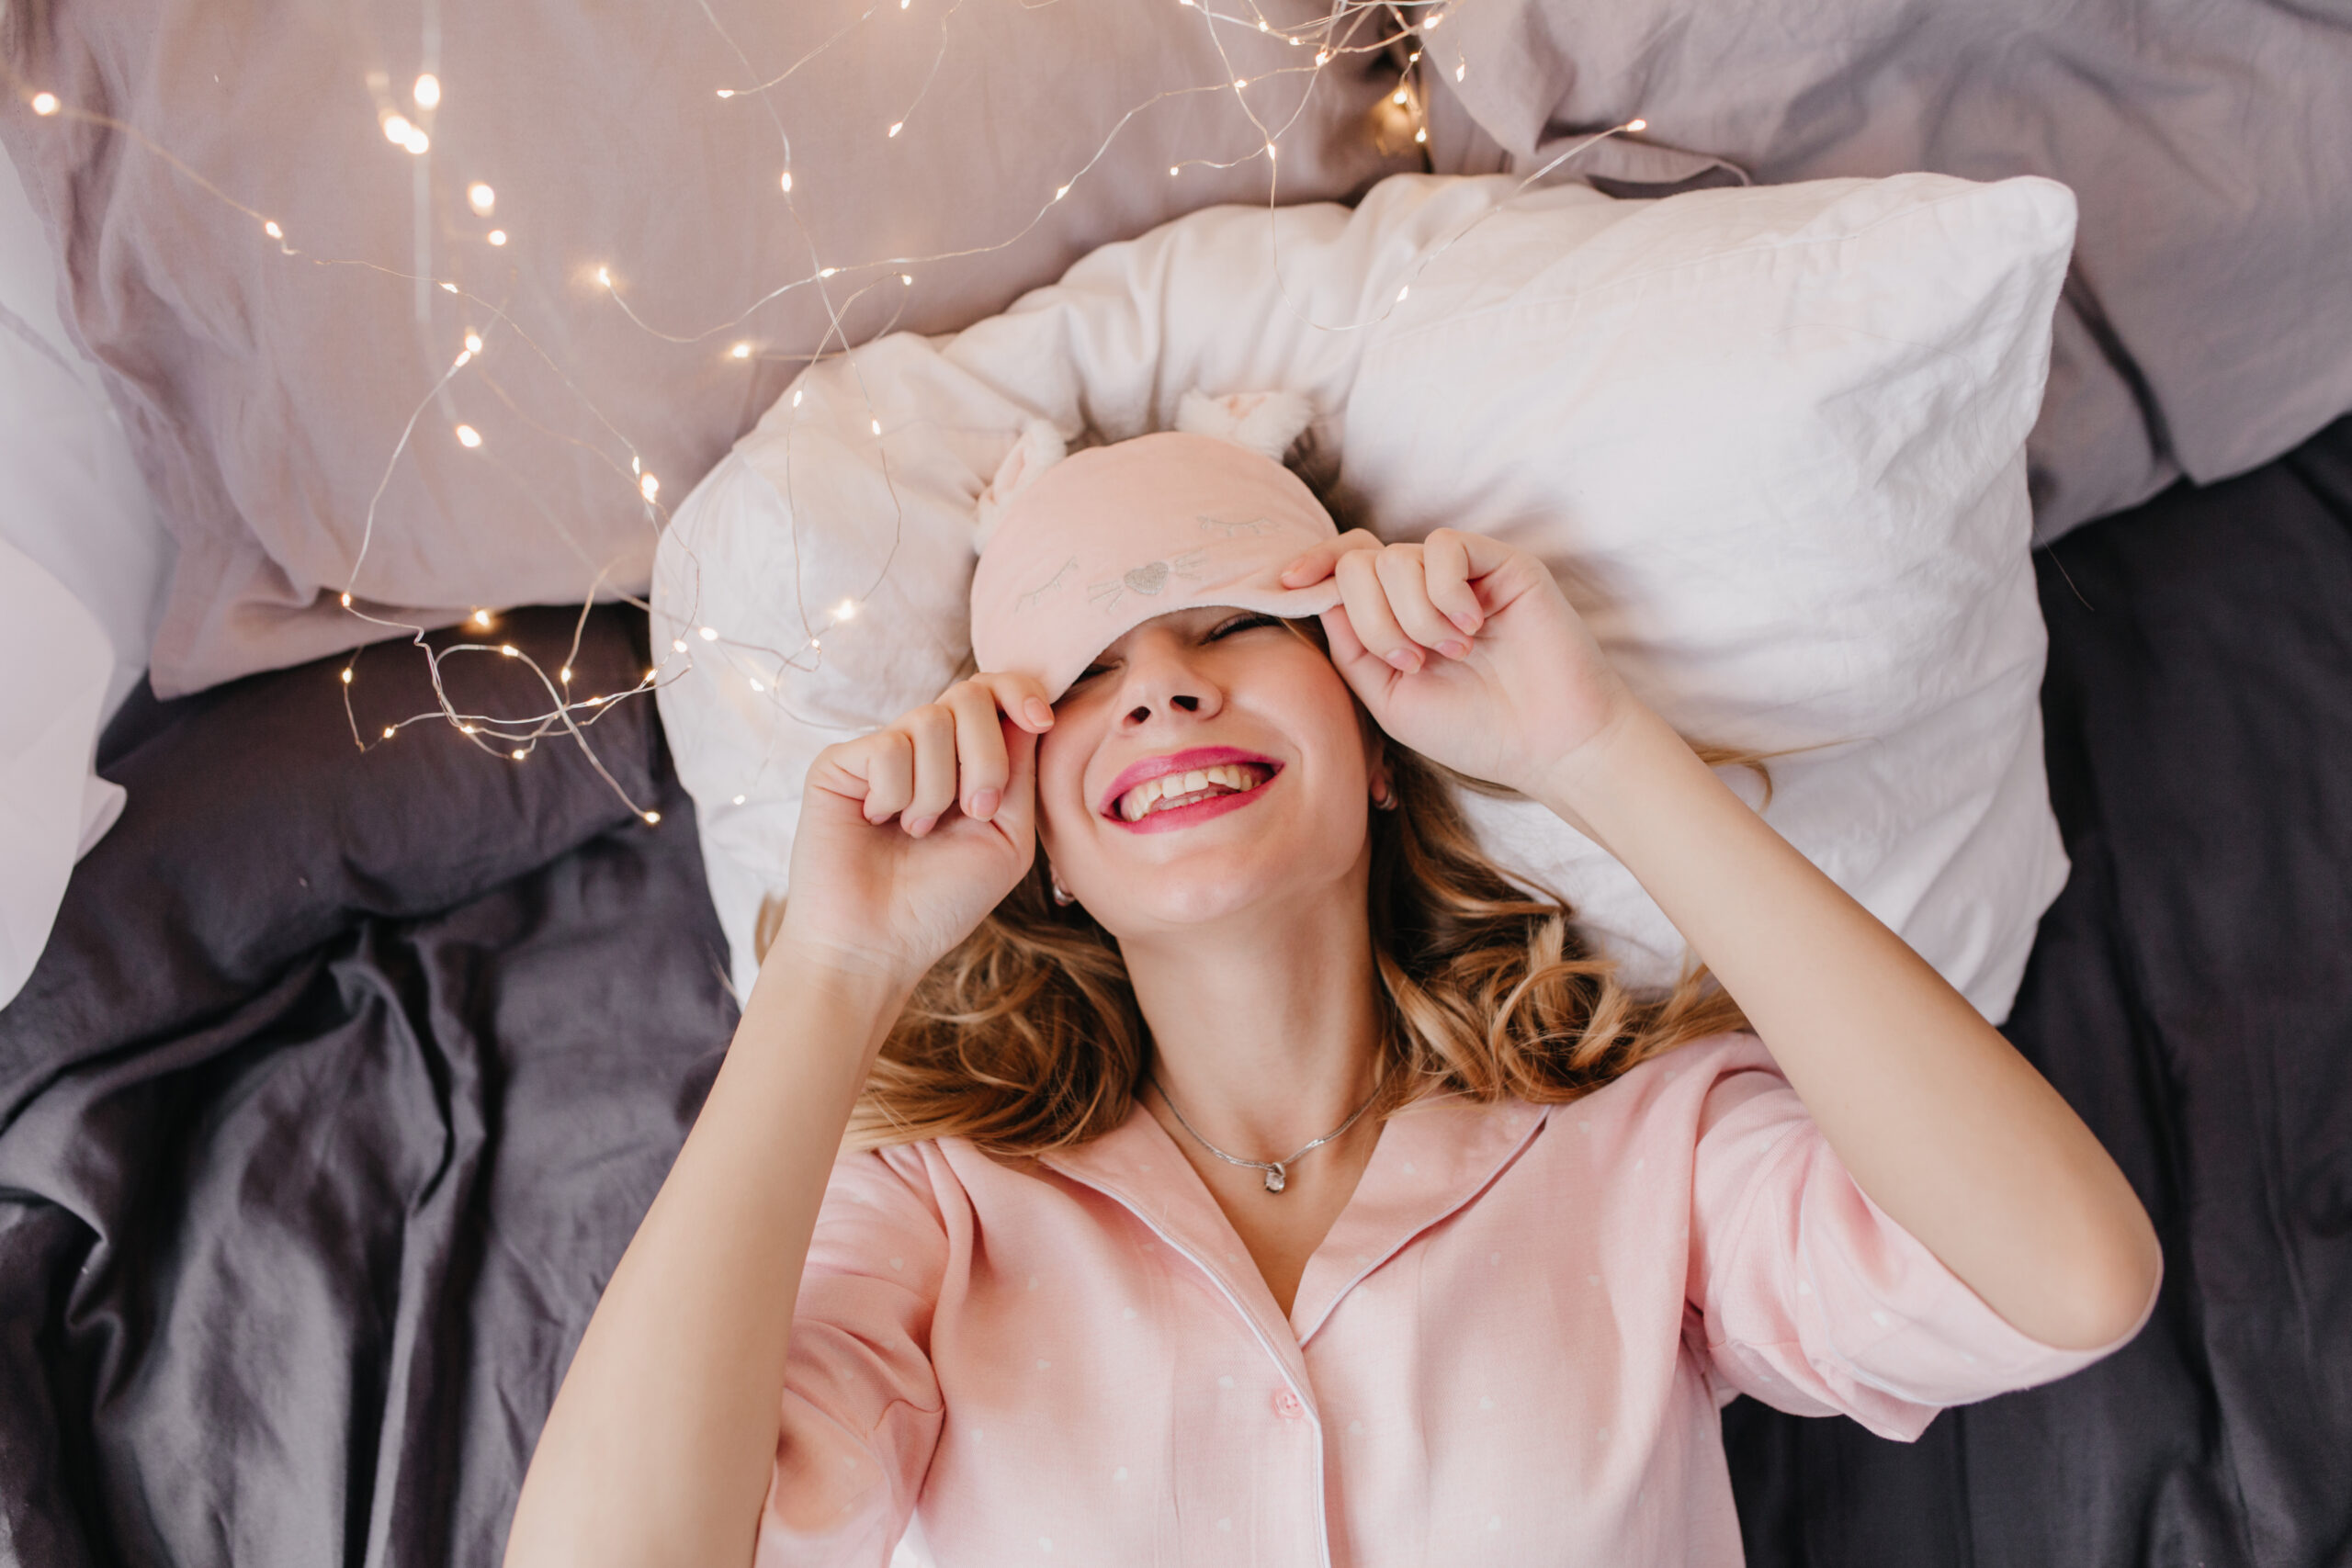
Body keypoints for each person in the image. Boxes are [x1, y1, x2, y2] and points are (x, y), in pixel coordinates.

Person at [504, 424, 2161, 1567]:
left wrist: (1596, 754)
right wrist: (836, 972)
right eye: (1082, 677)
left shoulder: (1642, 1157)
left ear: (1378, 747)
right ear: (1047, 849)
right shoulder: (936, 1222)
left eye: (1232, 624)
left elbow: (2070, 1280)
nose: (1159, 682)